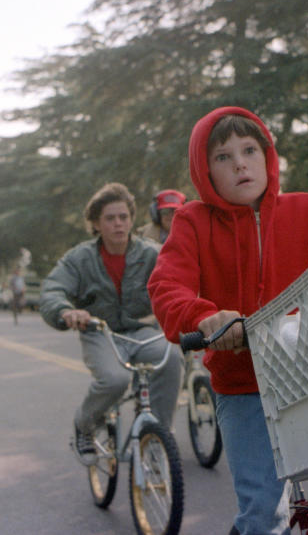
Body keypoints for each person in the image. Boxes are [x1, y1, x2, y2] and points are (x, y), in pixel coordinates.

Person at [148, 107, 308, 535]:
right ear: (204, 170)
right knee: (266, 510)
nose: (240, 163)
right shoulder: (192, 220)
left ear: (268, 156)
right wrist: (206, 318)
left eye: (249, 150)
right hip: (243, 383)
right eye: (223, 156)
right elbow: (166, 286)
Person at [39, 182, 183, 465]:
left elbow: (180, 283)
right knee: (115, 379)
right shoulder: (80, 258)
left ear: (131, 219)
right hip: (98, 330)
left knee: (171, 359)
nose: (118, 224)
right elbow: (52, 290)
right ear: (96, 223)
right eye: (110, 218)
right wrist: (66, 311)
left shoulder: (151, 254)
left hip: (141, 329)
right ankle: (84, 424)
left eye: (124, 217)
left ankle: (155, 437)